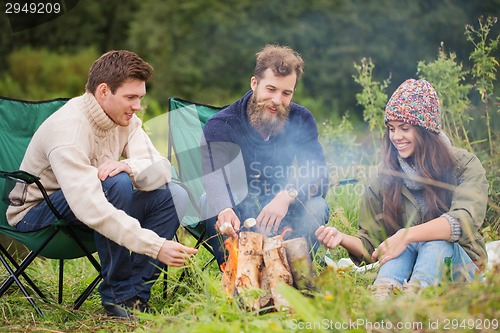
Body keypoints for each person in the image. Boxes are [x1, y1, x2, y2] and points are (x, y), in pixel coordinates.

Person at [7, 50, 197, 318]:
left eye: (140, 98)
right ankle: (117, 297)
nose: (138, 106)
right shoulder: (69, 130)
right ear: (104, 91)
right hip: (37, 216)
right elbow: (91, 206)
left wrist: (129, 165)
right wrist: (156, 246)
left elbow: (162, 168)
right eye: (131, 97)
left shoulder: (125, 120)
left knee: (173, 193)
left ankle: (136, 299)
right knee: (114, 183)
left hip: (89, 205)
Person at [316, 79, 488, 299]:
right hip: (406, 267)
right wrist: (342, 238)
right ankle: (382, 299)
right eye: (391, 128)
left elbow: (463, 220)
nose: (396, 137)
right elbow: (373, 245)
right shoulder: (382, 176)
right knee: (401, 247)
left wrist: (406, 235)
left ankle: (414, 302)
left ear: (427, 130)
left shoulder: (463, 166)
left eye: (405, 128)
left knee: (430, 240)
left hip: (462, 270)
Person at [201, 44, 330, 266]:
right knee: (208, 202)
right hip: (237, 216)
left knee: (317, 205)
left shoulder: (301, 119)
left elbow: (319, 174)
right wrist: (224, 207)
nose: (277, 100)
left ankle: (295, 274)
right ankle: (238, 281)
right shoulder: (222, 124)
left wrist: (286, 195)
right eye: (271, 89)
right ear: (254, 83)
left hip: (282, 212)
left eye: (286, 93)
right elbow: (213, 179)